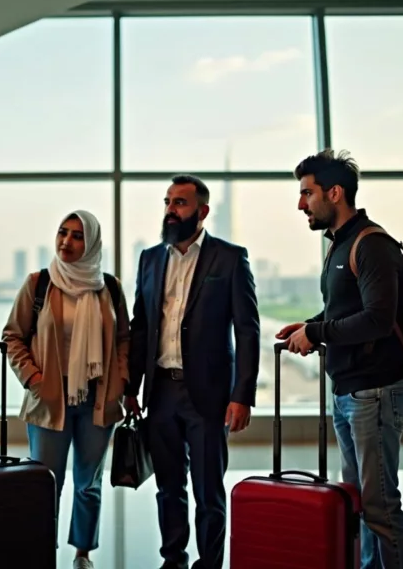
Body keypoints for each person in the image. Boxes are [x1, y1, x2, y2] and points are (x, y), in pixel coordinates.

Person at [277, 149, 403, 569]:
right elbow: (343, 314)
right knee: (361, 503)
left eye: (307, 193)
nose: (301, 204)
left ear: (335, 193)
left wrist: (316, 333)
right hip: (352, 391)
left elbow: (376, 319)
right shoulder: (341, 245)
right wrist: (310, 325)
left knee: (380, 506)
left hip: (373, 391)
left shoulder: (371, 244)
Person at [126, 175, 260, 569]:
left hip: (209, 396)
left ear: (202, 211)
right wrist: (131, 386)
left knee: (208, 490)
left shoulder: (230, 258)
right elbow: (139, 325)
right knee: (168, 488)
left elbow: (248, 330)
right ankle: (174, 560)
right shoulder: (150, 258)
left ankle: (210, 562)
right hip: (161, 394)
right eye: (167, 202)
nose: (171, 210)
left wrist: (242, 395)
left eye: (180, 203)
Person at [3, 210, 129, 569]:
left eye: (77, 236)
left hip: (98, 399)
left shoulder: (109, 287)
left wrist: (121, 383)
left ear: (91, 244)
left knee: (88, 483)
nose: (66, 242)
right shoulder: (39, 283)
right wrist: (33, 378)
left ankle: (82, 553)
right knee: (45, 483)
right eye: (62, 233)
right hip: (49, 400)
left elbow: (124, 339)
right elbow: (13, 336)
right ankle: (41, 550)